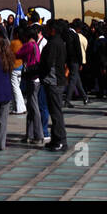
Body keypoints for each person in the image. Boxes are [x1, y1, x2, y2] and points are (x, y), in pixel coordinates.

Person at [39, 20, 69, 151]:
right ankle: (56, 138)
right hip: (57, 80)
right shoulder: (60, 42)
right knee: (54, 111)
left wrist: (40, 74)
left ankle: (61, 140)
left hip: (53, 81)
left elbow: (48, 63)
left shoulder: (52, 44)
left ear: (53, 29)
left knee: (56, 112)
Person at [16, 26, 43, 144]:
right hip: (36, 77)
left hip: (31, 77)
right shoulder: (36, 45)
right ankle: (30, 134)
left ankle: (38, 135)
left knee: (34, 107)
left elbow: (18, 54)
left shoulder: (28, 45)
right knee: (31, 107)